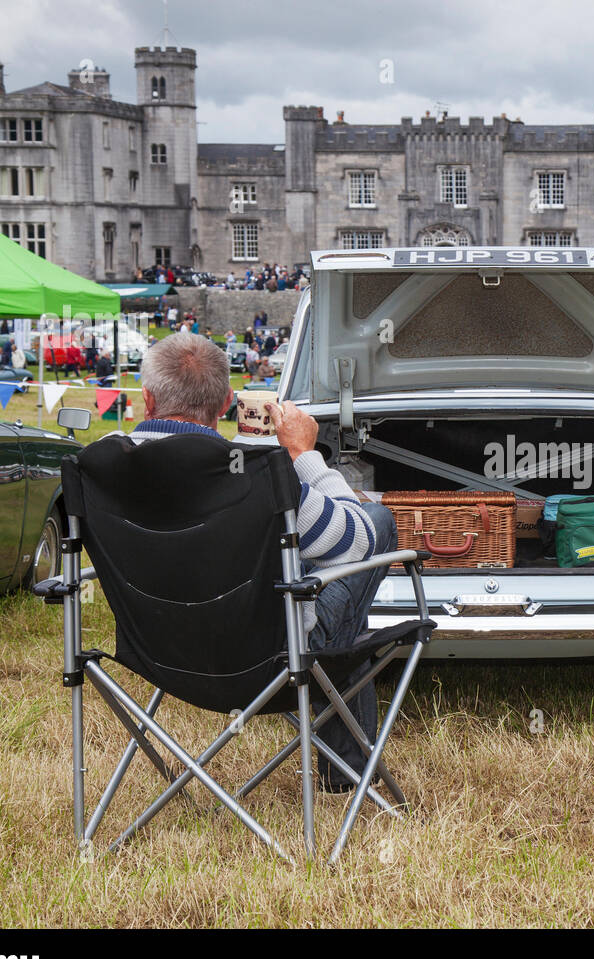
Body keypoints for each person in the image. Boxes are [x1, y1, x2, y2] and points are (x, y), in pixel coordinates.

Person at [127, 334, 396, 789]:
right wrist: (304, 455)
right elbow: (357, 542)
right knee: (377, 520)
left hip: (157, 653)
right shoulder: (256, 474)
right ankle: (344, 769)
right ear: (228, 402)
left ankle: (346, 743)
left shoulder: (104, 466)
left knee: (311, 575)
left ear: (146, 400)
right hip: (271, 658)